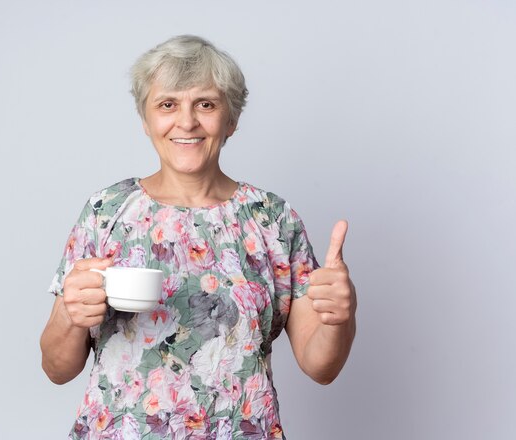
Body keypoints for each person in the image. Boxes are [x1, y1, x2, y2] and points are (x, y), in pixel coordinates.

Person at [40, 35, 356, 439]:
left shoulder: (273, 219)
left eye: (205, 104)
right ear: (146, 119)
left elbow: (320, 367)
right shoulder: (105, 212)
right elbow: (56, 369)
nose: (186, 122)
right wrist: (70, 314)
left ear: (231, 120)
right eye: (167, 104)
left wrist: (342, 317)